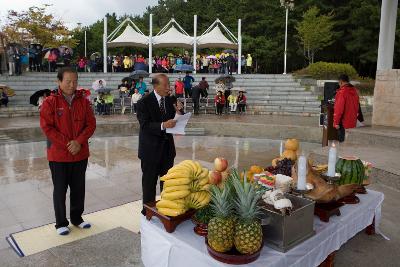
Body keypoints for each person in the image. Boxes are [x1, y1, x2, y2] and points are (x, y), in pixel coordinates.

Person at [39, 67, 96, 235]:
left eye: (75, 81)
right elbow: (47, 128)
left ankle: (77, 218)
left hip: (80, 153)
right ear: (59, 82)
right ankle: (61, 223)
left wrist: (78, 142)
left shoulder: (83, 101)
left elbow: (91, 124)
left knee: (79, 188)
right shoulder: (50, 102)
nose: (72, 85)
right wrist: (68, 144)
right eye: (68, 81)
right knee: (60, 189)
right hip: (58, 155)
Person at [136, 74, 183, 215]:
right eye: (165, 85)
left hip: (167, 150)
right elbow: (145, 125)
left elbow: (178, 118)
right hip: (150, 151)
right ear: (156, 86)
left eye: (169, 84)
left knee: (167, 185)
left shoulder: (171, 99)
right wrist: (163, 125)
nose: (169, 88)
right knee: (149, 185)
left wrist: (179, 110)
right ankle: (147, 214)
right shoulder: (143, 102)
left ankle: (165, 212)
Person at [333, 74, 360, 142]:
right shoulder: (355, 91)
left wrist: (336, 122)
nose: (339, 85)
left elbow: (339, 109)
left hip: (343, 122)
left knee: (342, 143)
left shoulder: (342, 92)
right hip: (352, 122)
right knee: (349, 144)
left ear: (341, 82)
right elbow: (357, 106)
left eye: (339, 83)